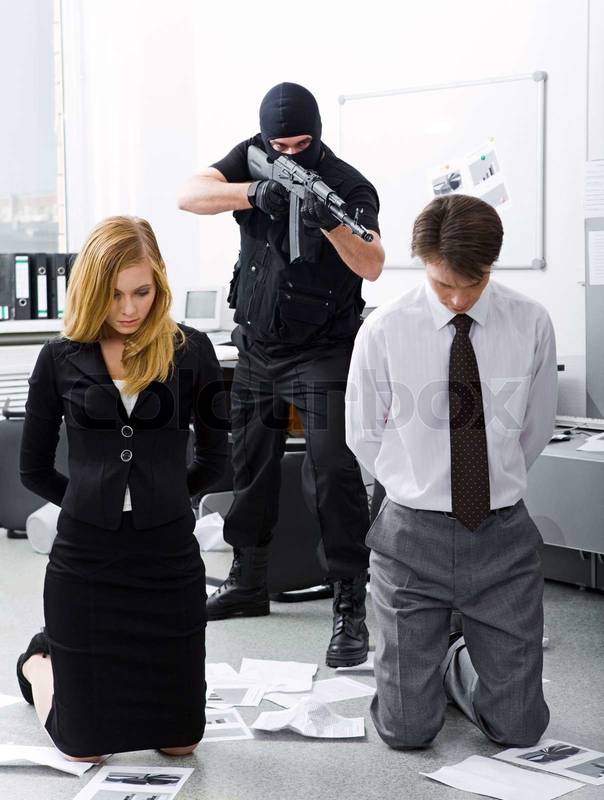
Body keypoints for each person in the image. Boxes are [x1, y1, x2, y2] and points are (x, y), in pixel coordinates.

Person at [178, 82, 385, 667]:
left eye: (301, 144)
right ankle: (248, 581)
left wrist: (332, 225)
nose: (290, 153)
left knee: (333, 470)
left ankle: (349, 601)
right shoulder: (251, 156)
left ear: (318, 134)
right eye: (280, 146)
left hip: (322, 351)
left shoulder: (347, 184)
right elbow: (189, 194)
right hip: (257, 346)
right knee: (249, 462)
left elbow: (373, 263)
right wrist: (253, 191)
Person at [346, 194, 557, 747]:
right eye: (444, 284)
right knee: (406, 731)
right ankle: (428, 659)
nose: (460, 298)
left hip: (501, 536)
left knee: (521, 730)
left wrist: (489, 486)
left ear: (493, 264)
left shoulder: (531, 322)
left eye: (475, 281)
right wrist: (419, 484)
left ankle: (455, 653)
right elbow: (363, 434)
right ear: (422, 263)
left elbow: (535, 428)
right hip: (411, 538)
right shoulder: (385, 329)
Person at [17, 216, 228, 761]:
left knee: (180, 743)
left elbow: (215, 459)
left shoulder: (192, 350)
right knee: (83, 749)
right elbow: (33, 469)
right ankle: (39, 664)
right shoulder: (59, 357)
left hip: (168, 559)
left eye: (142, 292)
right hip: (86, 561)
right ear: (92, 289)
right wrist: (92, 501)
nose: (129, 308)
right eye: (114, 295)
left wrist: (166, 497)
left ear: (159, 286)